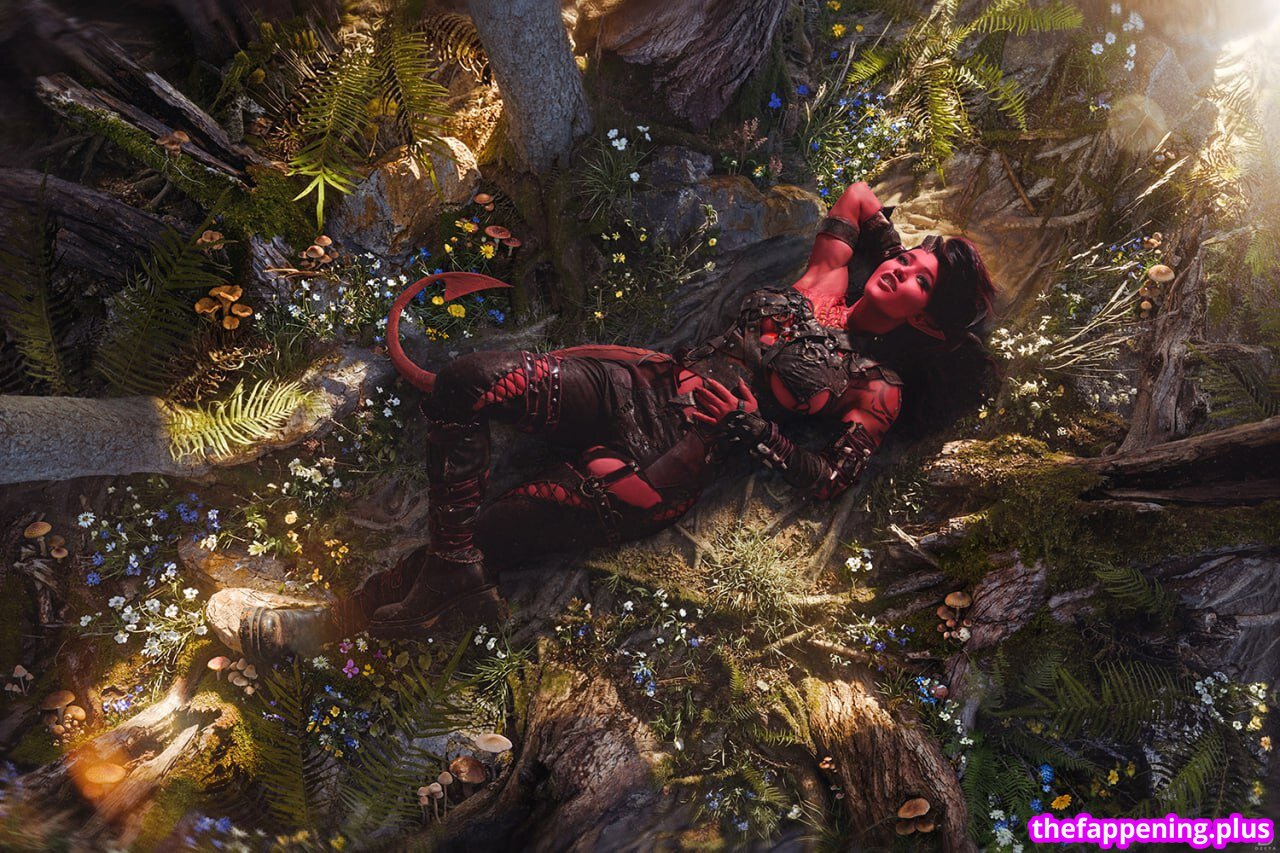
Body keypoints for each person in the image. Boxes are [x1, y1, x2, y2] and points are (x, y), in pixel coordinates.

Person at [237, 183, 997, 659]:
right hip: (635, 384)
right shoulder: (828, 273)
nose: (899, 269)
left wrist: (756, 432)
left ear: (927, 323)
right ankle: (446, 580)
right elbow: (859, 197)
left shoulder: (879, 386)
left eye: (918, 283)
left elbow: (831, 480)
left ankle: (329, 625)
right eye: (907, 259)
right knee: (468, 381)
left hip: (663, 466)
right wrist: (901, 252)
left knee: (492, 532)